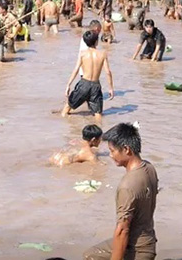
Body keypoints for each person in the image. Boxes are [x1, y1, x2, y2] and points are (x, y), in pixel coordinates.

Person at [83, 123, 159, 260]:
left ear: (126, 149)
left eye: (112, 151)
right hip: (148, 240)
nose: (110, 155)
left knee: (90, 257)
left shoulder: (127, 185)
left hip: (136, 248)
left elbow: (122, 230)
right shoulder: (149, 167)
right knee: (91, 253)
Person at [62, 30, 114, 124]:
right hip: (95, 85)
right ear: (96, 41)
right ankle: (99, 129)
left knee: (68, 106)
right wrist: (111, 88)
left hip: (84, 84)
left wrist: (68, 85)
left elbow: (76, 69)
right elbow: (108, 72)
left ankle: (65, 125)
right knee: (98, 113)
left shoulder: (82, 53)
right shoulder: (103, 54)